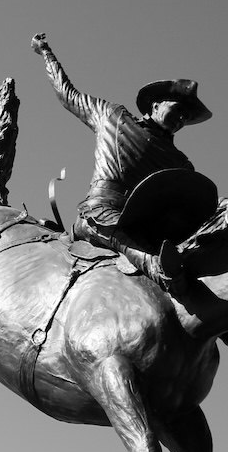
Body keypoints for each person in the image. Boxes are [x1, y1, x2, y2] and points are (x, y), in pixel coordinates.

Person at [32, 33, 212, 294]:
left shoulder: (181, 165)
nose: (181, 119)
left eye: (186, 117)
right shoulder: (112, 116)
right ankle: (162, 273)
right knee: (128, 239)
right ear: (156, 105)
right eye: (177, 109)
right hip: (101, 212)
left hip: (146, 226)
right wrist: (46, 53)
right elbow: (68, 94)